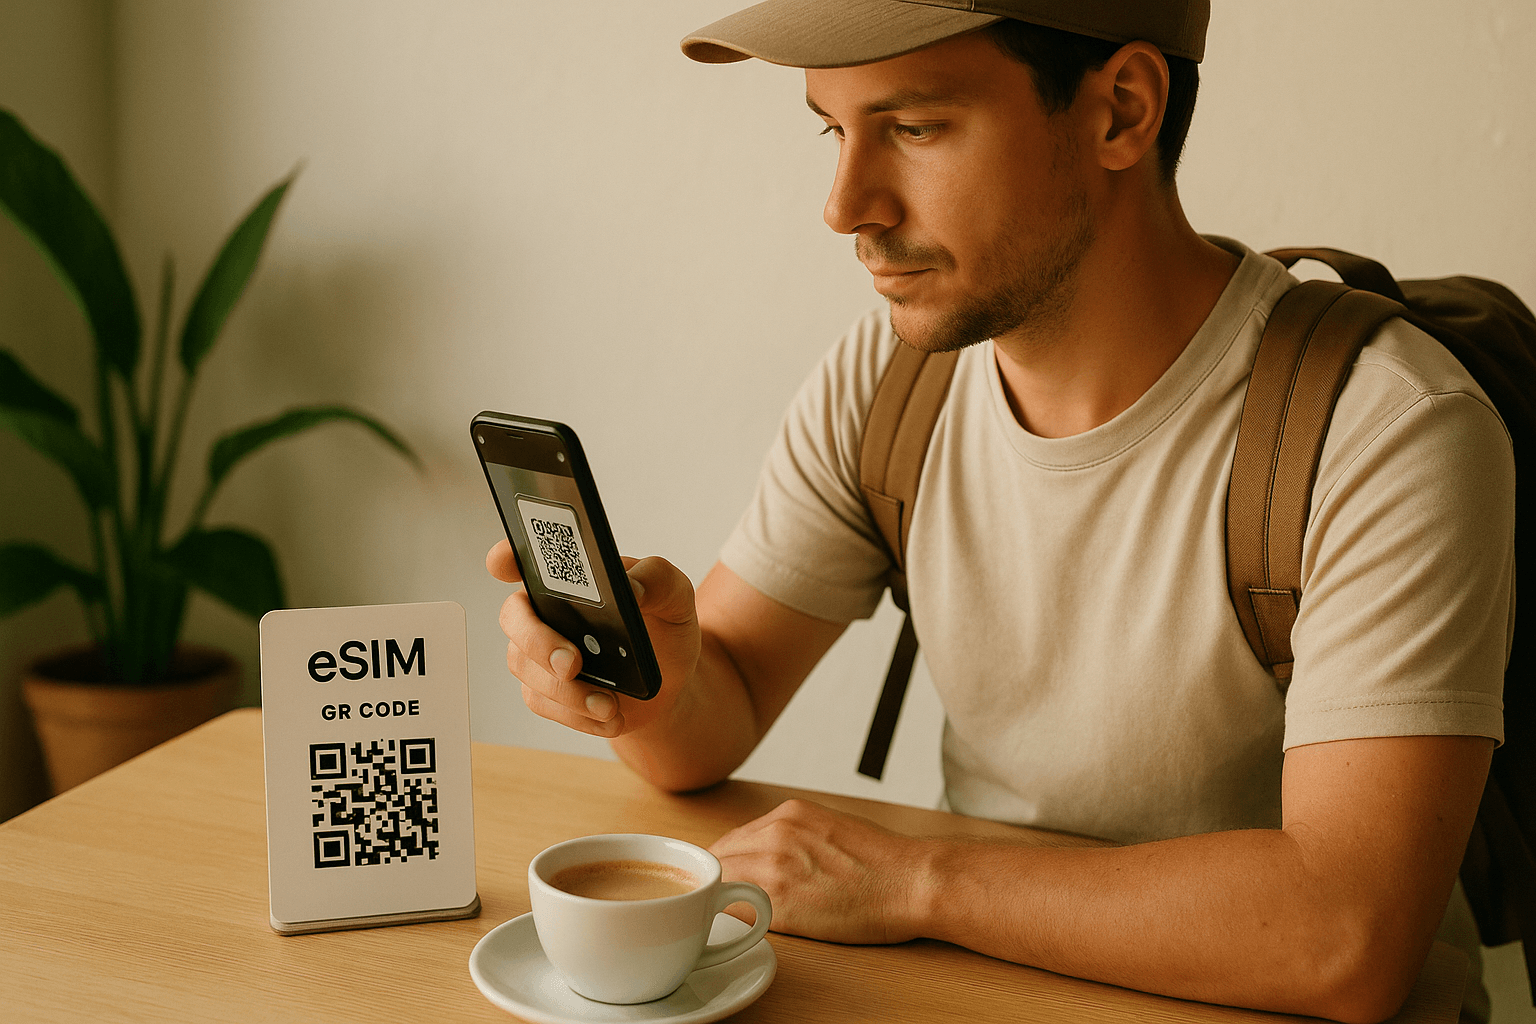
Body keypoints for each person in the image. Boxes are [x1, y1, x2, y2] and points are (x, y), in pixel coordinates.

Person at [487, 2, 1513, 1020]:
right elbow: (724, 708)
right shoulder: (890, 383)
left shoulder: (1384, 426)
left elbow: (1347, 934)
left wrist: (917, 880)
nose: (846, 207)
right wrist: (651, 684)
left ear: (1121, 111)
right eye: (833, 130)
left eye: (915, 128)